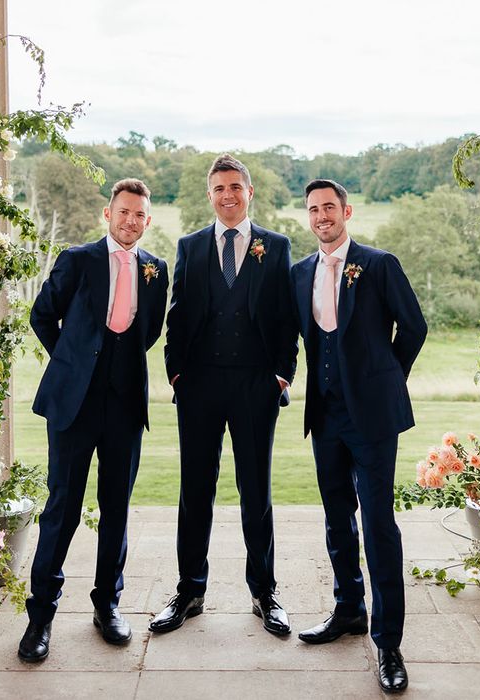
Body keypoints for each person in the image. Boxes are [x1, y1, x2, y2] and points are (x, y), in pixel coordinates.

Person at [18, 178, 169, 661]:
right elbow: (42, 316)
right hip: (73, 403)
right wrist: (73, 362)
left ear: (148, 220)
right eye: (123, 212)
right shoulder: (77, 260)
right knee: (61, 508)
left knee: (117, 509)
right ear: (109, 214)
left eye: (140, 215)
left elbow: (149, 331)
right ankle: (40, 617)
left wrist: (119, 366)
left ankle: (108, 605)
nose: (131, 221)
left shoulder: (155, 269)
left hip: (125, 404)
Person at [149, 154, 297, 636]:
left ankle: (264, 592)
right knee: (195, 490)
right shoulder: (190, 246)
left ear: (249, 192)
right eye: (218, 188)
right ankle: (190, 590)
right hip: (199, 385)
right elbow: (178, 314)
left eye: (235, 186)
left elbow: (285, 319)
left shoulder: (275, 247)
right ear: (209, 196)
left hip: (256, 384)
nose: (227, 195)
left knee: (256, 491)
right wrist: (175, 374)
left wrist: (281, 375)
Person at [290, 179, 426, 693]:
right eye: (313, 209)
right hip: (323, 417)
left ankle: (388, 642)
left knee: (378, 525)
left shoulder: (378, 264)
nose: (322, 215)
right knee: (336, 520)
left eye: (330, 206)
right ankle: (349, 609)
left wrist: (387, 379)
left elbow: (413, 328)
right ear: (308, 217)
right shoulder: (300, 271)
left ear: (346, 211)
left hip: (371, 418)